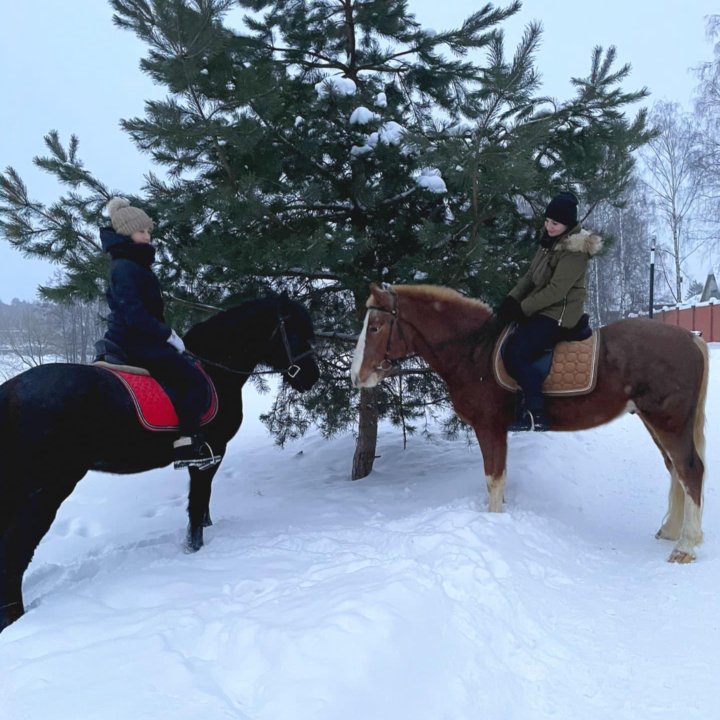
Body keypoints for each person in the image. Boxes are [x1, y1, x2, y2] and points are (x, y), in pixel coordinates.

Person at [97, 197, 221, 469]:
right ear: (126, 233)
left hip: (139, 337)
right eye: (142, 231)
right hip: (135, 341)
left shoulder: (131, 264)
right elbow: (134, 315)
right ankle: (187, 444)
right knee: (190, 379)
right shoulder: (126, 268)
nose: (148, 236)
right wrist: (166, 335)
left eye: (148, 231)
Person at [496, 191, 603, 431]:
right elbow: (529, 278)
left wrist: (522, 309)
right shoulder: (549, 244)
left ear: (567, 224)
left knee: (515, 352)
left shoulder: (575, 251)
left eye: (554, 223)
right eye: (547, 221)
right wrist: (510, 301)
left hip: (561, 315)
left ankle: (536, 414)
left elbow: (556, 290)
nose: (549, 226)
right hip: (542, 309)